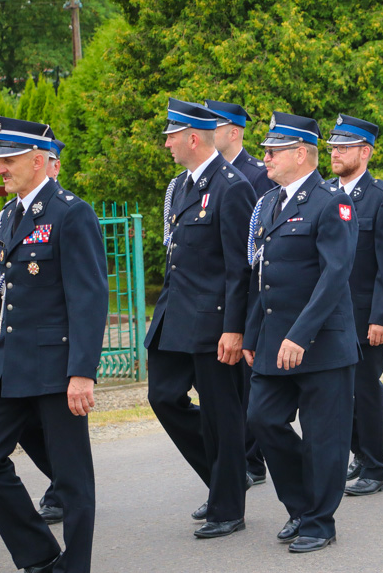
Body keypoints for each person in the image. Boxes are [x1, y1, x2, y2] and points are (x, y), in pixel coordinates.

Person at [0, 116, 108, 572]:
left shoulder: (71, 213)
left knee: (71, 476)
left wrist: (82, 371)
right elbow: (2, 295)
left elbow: (89, 299)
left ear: (38, 160)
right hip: (8, 364)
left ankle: (76, 565)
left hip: (55, 367)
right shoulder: (9, 215)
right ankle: (39, 555)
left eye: (7, 161)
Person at [243, 111, 358, 553]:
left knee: (324, 435)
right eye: (266, 149)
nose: (265, 157)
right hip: (275, 341)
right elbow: (263, 277)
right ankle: (300, 505)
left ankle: (319, 522)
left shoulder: (332, 202)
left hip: (320, 341)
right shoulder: (270, 202)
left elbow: (335, 274)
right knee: (262, 419)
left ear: (301, 154)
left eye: (273, 150)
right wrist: (254, 336)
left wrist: (301, 334)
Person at [146, 98, 253, 539]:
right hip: (177, 318)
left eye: (171, 135)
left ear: (193, 138)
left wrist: (234, 326)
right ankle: (222, 475)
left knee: (222, 416)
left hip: (213, 323)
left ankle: (227, 506)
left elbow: (240, 266)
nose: (166, 143)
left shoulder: (232, 186)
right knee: (163, 396)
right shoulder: (183, 186)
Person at [326, 114, 383, 497]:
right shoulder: (325, 192)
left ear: (366, 151)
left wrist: (382, 317)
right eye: (332, 148)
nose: (335, 154)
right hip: (329, 314)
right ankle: (358, 454)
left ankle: (375, 467)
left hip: (363, 315)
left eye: (343, 147)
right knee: (338, 390)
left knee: (366, 389)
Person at [204, 98, 269, 486]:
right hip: (215, 297)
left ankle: (251, 457)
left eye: (214, 126)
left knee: (246, 379)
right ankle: (239, 453)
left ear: (233, 131)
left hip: (249, 290)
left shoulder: (256, 174)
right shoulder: (207, 176)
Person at [16, 136, 68, 526]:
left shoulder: (67, 214)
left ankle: (64, 486)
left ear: (54, 165)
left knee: (53, 424)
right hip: (19, 347)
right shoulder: (10, 215)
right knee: (25, 426)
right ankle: (62, 480)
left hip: (53, 346)